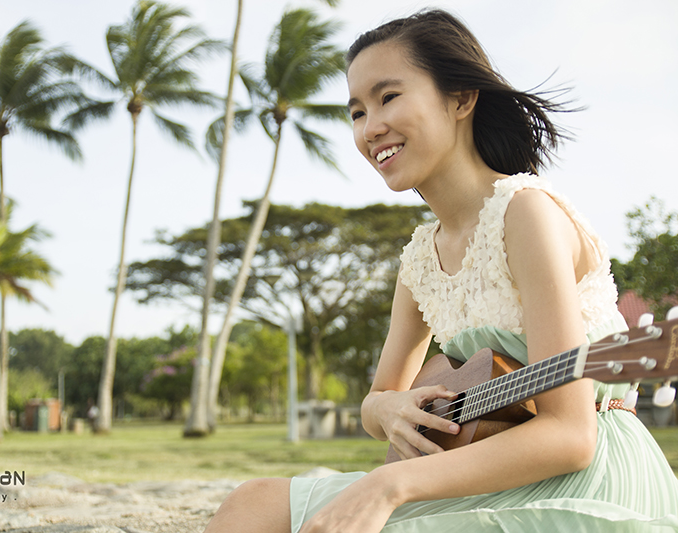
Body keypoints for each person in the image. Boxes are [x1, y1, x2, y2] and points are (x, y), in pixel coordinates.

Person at [204, 8, 678, 533]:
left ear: (460, 99)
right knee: (250, 504)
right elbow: (376, 400)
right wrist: (389, 411)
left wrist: (390, 484)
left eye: (389, 97)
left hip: (586, 475)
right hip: (485, 467)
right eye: (357, 112)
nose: (370, 128)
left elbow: (570, 436)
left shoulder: (526, 213)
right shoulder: (419, 260)